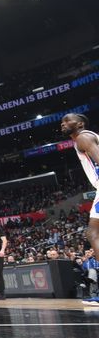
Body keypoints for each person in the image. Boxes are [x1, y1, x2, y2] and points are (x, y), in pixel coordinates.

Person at [60, 112, 99, 306]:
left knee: (93, 234)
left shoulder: (83, 137)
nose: (63, 123)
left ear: (80, 123)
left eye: (67, 120)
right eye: (62, 121)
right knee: (92, 234)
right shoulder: (84, 138)